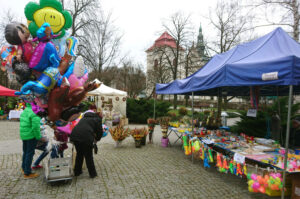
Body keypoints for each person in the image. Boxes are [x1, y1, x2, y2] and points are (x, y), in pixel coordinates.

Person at [70, 112, 103, 178]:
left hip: (75, 136)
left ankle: (77, 171)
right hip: (86, 138)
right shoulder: (97, 119)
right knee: (88, 156)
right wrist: (97, 139)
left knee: (79, 154)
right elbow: (99, 131)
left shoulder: (84, 118)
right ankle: (92, 174)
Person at [20, 103, 41, 179]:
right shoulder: (34, 112)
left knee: (25, 152)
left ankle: (24, 168)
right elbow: (36, 127)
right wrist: (38, 136)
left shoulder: (26, 110)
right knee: (30, 153)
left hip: (24, 135)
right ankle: (27, 172)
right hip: (31, 136)